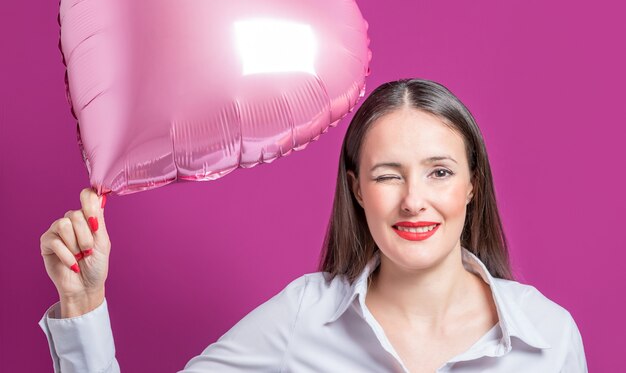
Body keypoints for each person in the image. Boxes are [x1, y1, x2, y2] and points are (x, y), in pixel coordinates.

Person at [39, 78, 588, 372]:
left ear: (473, 185)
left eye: (439, 172)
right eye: (388, 175)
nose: (413, 201)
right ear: (357, 189)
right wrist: (84, 306)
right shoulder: (304, 316)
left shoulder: (549, 339)